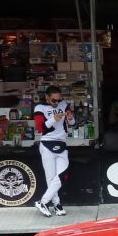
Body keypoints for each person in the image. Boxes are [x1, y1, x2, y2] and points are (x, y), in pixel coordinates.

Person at [33, 85, 75, 216]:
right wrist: (53, 119)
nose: (57, 103)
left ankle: (42, 202)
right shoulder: (40, 108)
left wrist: (69, 117)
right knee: (51, 177)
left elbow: (73, 123)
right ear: (47, 97)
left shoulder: (63, 105)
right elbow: (40, 128)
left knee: (63, 175)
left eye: (58, 100)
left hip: (61, 144)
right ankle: (57, 204)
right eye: (53, 100)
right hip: (47, 144)